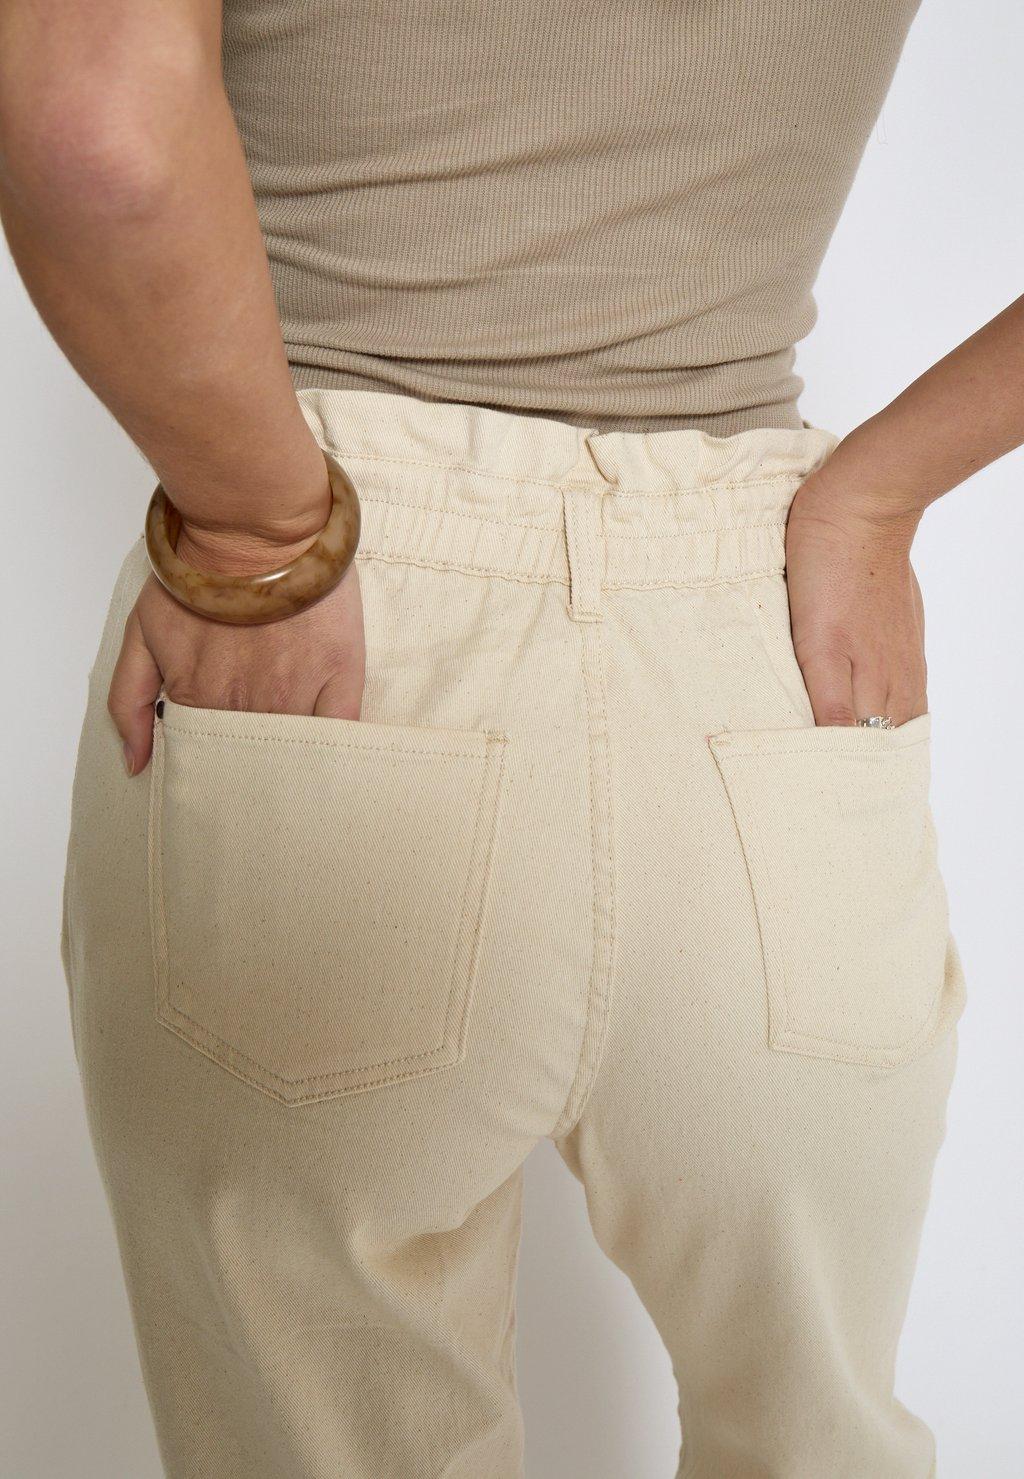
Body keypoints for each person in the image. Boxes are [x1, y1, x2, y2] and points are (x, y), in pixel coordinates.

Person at [0, 2, 1017, 1474]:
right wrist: (880, 494)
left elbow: (96, 128)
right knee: (820, 1443)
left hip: (333, 618)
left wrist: (256, 530)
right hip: (768, 655)